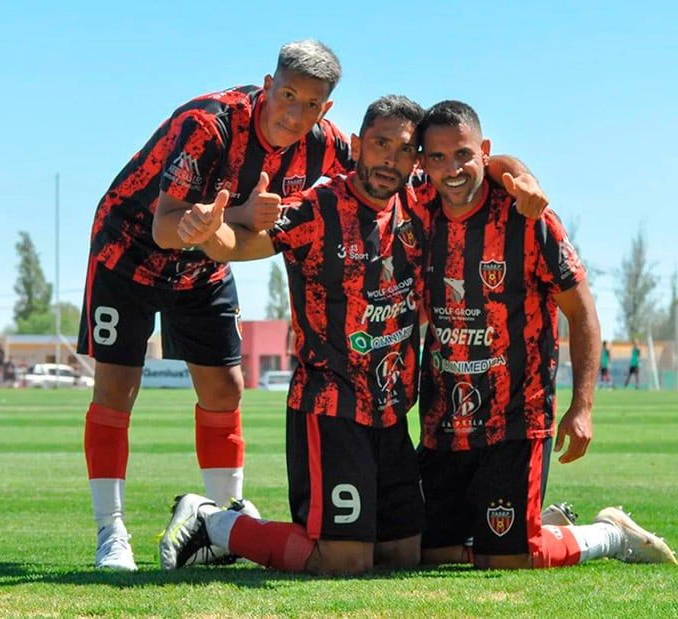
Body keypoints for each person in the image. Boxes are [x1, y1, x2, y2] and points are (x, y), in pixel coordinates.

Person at [159, 94, 550, 574]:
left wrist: (520, 174)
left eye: (405, 150)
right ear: (359, 145)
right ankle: (215, 523)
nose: (391, 159)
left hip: (391, 414)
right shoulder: (318, 207)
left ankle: (524, 534)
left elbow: (482, 164)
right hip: (331, 407)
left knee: (402, 556)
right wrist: (207, 230)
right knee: (344, 561)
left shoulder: (420, 200)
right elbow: (240, 246)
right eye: (381, 144)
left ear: (417, 161)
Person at [74, 40, 357, 571]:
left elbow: (390, 164)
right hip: (126, 250)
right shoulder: (208, 124)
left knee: (225, 388)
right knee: (116, 387)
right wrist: (234, 217)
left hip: (203, 262)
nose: (294, 114)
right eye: (287, 95)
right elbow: (163, 227)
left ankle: (222, 519)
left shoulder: (327, 143)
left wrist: (498, 168)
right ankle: (111, 532)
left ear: (326, 110)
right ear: (267, 85)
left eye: (310, 104)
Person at [412, 100, 675, 570]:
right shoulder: (416, 209)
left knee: (505, 563)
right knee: (425, 554)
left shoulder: (527, 217)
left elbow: (582, 310)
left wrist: (583, 407)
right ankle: (537, 522)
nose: (452, 169)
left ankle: (607, 534)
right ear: (423, 162)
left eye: (464, 155)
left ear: (484, 153)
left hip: (516, 417)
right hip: (443, 421)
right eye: (437, 157)